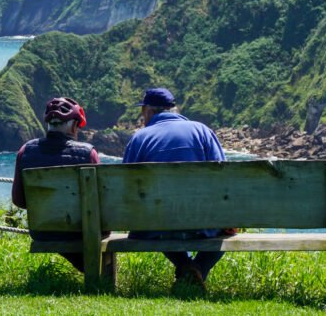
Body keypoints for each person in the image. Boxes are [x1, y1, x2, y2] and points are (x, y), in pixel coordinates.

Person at [122, 87, 229, 290]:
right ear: (174, 109)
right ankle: (197, 271)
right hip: (203, 225)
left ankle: (186, 268)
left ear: (149, 111)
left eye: (142, 112)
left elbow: (124, 186)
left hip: (156, 227)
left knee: (158, 220)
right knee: (227, 230)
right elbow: (223, 180)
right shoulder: (202, 131)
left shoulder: (139, 138)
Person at [12, 96, 99, 272]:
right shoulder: (88, 154)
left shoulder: (25, 151)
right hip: (83, 231)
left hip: (43, 231)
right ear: (75, 125)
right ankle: (100, 279)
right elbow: (102, 202)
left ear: (48, 123)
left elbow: (19, 200)